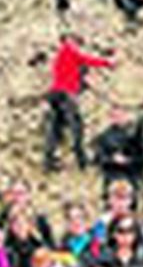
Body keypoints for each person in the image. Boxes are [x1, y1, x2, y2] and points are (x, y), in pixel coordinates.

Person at [44, 33, 115, 173]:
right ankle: (81, 160)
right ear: (70, 40)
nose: (78, 46)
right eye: (77, 42)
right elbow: (85, 59)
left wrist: (82, 83)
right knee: (77, 127)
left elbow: (74, 72)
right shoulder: (68, 50)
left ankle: (49, 161)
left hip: (55, 94)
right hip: (66, 95)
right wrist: (108, 63)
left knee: (55, 129)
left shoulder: (61, 56)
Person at [93, 105, 143, 197]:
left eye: (120, 115)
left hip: (132, 177)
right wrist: (113, 159)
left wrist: (129, 160)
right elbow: (98, 158)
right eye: (114, 116)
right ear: (110, 118)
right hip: (112, 177)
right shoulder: (104, 137)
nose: (118, 118)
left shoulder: (136, 135)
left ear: (125, 116)